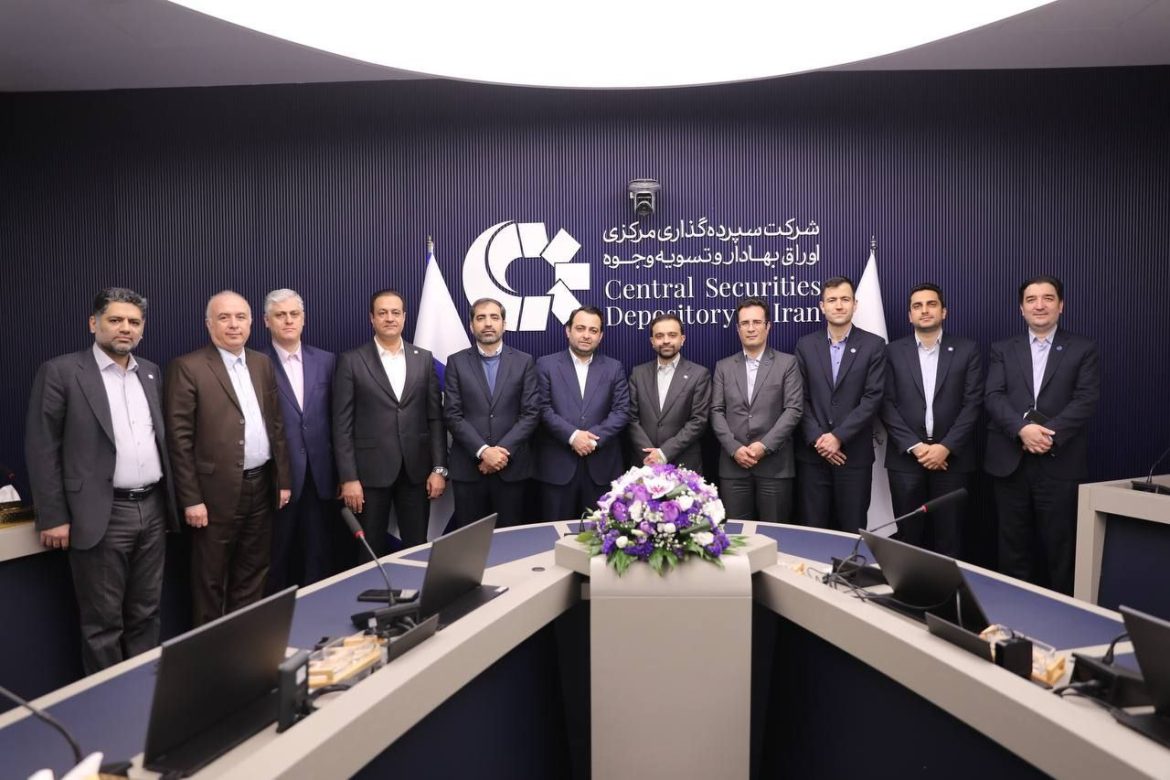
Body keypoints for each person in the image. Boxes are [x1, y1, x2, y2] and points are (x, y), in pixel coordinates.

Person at [25, 287, 177, 673]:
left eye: (134, 322)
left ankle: (144, 691)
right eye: (115, 320)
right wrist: (53, 516)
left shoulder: (150, 372)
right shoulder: (61, 372)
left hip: (152, 509)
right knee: (103, 624)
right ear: (94, 324)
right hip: (100, 514)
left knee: (147, 612)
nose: (125, 328)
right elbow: (42, 448)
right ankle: (109, 700)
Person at [165, 290, 291, 625]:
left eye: (240, 317)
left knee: (254, 570)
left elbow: (276, 425)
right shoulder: (187, 367)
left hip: (261, 486)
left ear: (251, 323)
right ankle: (211, 650)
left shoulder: (262, 363)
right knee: (210, 578)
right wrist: (191, 499)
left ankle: (244, 642)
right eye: (224, 318)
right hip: (212, 495)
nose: (233, 325)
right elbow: (179, 441)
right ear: (209, 324)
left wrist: (282, 480)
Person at [985, 275, 1099, 594]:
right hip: (1010, 462)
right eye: (1031, 299)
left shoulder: (1082, 348)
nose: (1039, 305)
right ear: (1021, 308)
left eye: (1048, 298)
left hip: (1059, 461)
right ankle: (1012, 613)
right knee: (1012, 547)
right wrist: (1022, 429)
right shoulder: (1002, 349)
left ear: (1061, 306)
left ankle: (1063, 614)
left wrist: (1047, 434)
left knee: (1060, 549)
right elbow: (993, 395)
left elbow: (1086, 399)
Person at [333, 289, 447, 554]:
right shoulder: (351, 361)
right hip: (369, 475)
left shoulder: (423, 359)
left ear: (404, 317)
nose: (389, 318)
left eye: (395, 312)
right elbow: (341, 425)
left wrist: (439, 468)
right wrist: (348, 478)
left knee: (417, 549)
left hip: (416, 472)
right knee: (369, 551)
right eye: (382, 313)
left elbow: (435, 419)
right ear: (372, 318)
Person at [881, 283, 983, 557]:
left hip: (952, 460)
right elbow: (885, 404)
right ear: (909, 315)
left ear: (944, 311)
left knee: (950, 538)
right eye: (917, 306)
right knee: (907, 539)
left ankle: (946, 588)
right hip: (906, 460)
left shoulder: (967, 350)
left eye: (931, 304)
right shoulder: (892, 352)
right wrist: (916, 447)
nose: (924, 310)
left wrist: (945, 447)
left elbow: (973, 403)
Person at [794, 276, 886, 532]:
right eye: (832, 300)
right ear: (822, 306)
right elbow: (799, 398)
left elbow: (873, 398)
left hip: (853, 457)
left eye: (845, 299)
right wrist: (819, 440)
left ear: (855, 304)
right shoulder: (805, 345)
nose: (838, 305)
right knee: (812, 531)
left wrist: (838, 437)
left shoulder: (874, 345)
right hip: (813, 457)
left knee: (852, 530)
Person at [261, 288, 339, 590]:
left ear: (303, 319)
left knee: (319, 555)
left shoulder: (327, 361)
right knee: (276, 557)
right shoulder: (256, 363)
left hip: (321, 477)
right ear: (267, 321)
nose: (288, 320)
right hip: (278, 478)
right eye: (280, 315)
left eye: (294, 314)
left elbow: (337, 419)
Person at [443, 298, 540, 528]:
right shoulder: (456, 362)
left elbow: (530, 413)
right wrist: (484, 451)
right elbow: (453, 415)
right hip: (469, 469)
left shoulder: (524, 361)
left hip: (511, 468)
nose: (488, 323)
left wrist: (501, 453)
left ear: (504, 324)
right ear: (471, 325)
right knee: (469, 541)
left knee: (510, 540)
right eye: (481, 318)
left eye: (494, 317)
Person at [710, 298, 803, 522]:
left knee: (775, 534)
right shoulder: (723, 367)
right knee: (736, 535)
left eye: (756, 322)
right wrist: (734, 448)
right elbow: (716, 411)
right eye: (745, 323)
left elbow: (793, 409)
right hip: (734, 468)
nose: (751, 328)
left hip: (775, 467)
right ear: (738, 329)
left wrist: (764, 446)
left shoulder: (787, 363)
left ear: (768, 326)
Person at [534, 306, 629, 521]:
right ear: (568, 331)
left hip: (601, 468)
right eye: (580, 328)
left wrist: (592, 440)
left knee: (602, 534)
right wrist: (573, 436)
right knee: (556, 534)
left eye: (593, 330)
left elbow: (622, 411)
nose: (586, 335)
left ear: (600, 336)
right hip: (557, 468)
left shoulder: (614, 368)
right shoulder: (546, 365)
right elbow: (542, 408)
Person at [626, 314, 711, 473]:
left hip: (684, 465)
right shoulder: (638, 373)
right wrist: (650, 455)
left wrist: (663, 453)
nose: (666, 340)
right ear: (652, 341)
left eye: (672, 335)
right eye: (659, 336)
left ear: (682, 339)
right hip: (644, 463)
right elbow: (631, 418)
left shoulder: (699, 374)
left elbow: (698, 421)